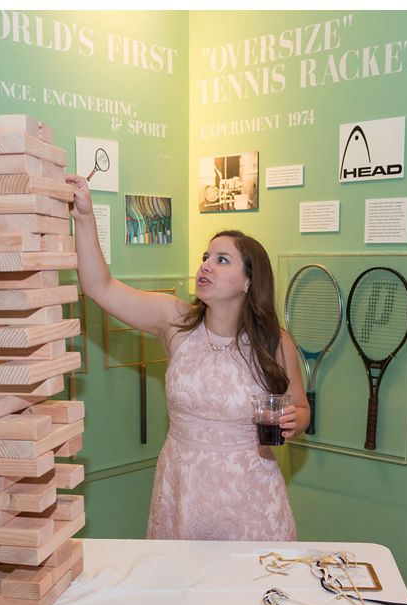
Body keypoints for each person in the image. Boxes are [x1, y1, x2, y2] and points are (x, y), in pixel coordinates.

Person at [65, 174, 309, 541]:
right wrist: (83, 216)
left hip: (250, 498)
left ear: (248, 281)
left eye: (222, 259)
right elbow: (101, 287)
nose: (206, 265)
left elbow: (302, 410)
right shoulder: (175, 323)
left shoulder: (274, 343)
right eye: (205, 257)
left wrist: (294, 421)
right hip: (183, 491)